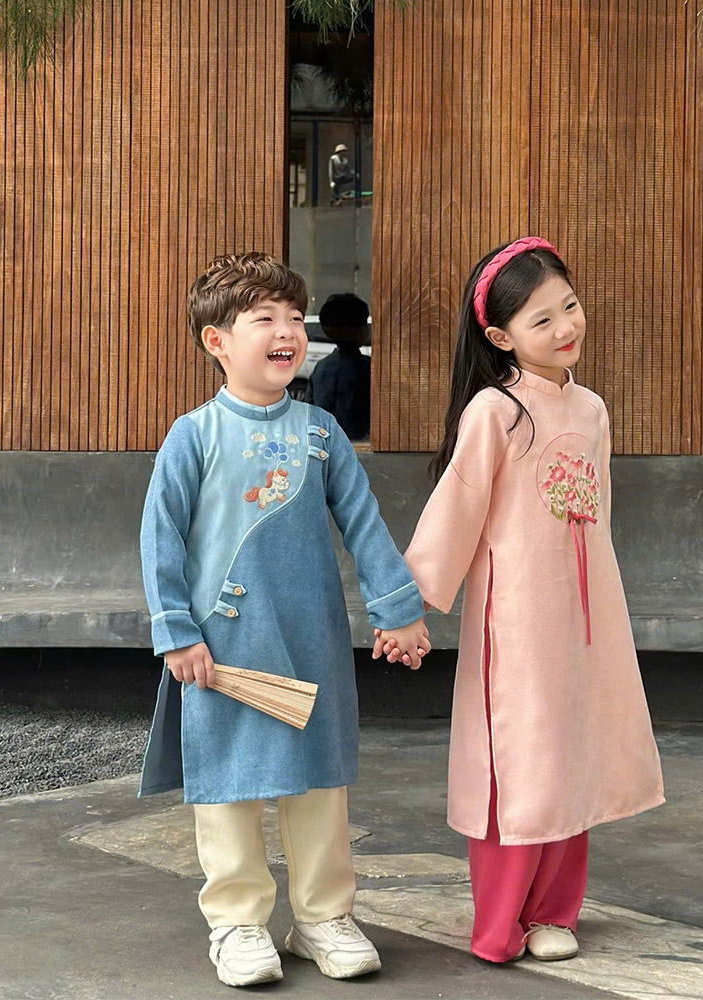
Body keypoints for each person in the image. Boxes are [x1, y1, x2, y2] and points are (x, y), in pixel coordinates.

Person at [139, 252, 430, 987]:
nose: (286, 331)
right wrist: (176, 632)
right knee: (229, 786)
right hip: (223, 647)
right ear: (216, 342)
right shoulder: (193, 435)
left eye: (294, 318)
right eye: (263, 318)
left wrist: (397, 611)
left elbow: (364, 526)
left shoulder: (322, 432)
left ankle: (323, 917)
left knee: (320, 784)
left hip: (312, 639)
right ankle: (237, 924)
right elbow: (159, 538)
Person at [376, 238, 664, 964]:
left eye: (570, 306)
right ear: (500, 337)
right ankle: (501, 924)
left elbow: (597, 517)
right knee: (523, 755)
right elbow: (457, 507)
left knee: (577, 750)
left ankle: (555, 913)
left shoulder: (591, 410)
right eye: (542, 320)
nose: (566, 327)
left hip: (588, 616)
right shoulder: (496, 412)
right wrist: (407, 608)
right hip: (519, 621)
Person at [303, 293, 372, 439]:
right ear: (360, 329)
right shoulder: (368, 368)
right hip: (358, 442)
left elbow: (310, 409)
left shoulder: (322, 367)